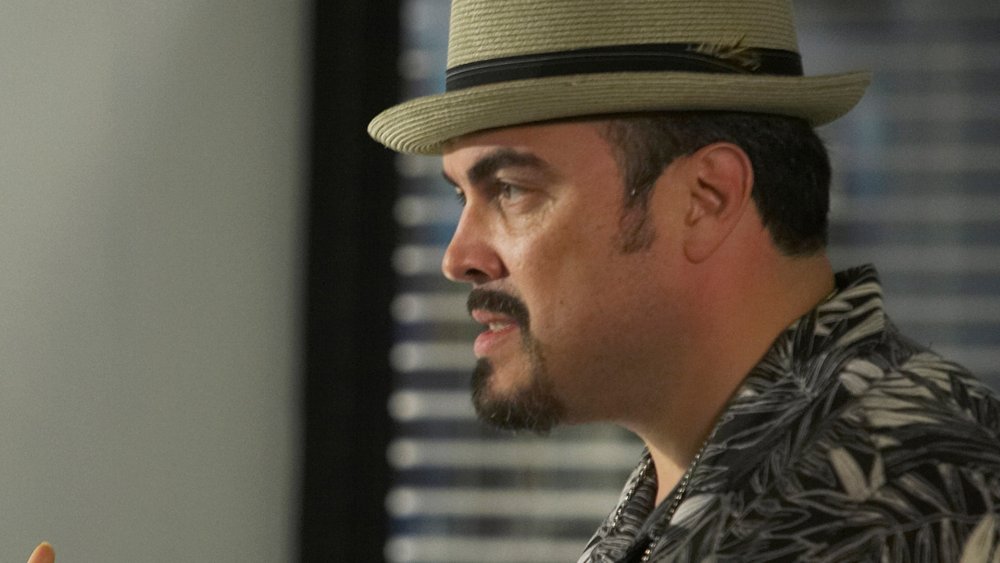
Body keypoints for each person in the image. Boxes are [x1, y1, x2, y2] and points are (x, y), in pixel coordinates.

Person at [369, 0, 1000, 561]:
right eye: (461, 197)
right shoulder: (749, 477)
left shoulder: (883, 507)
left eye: (511, 190)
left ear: (706, 198)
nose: (458, 257)